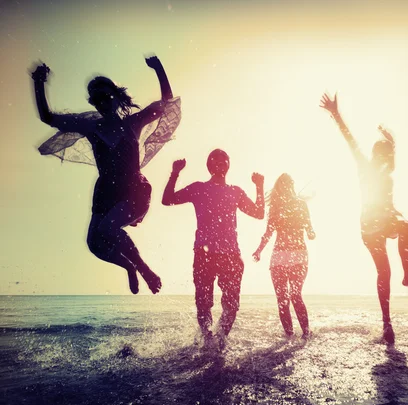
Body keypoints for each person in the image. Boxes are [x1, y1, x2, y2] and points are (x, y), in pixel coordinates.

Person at [31, 56, 181, 294]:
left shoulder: (134, 123)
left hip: (134, 189)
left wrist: (159, 68)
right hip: (106, 192)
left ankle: (145, 270)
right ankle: (129, 267)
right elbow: (48, 117)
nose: (101, 102)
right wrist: (38, 82)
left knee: (108, 230)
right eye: (96, 99)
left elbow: (166, 102)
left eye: (105, 96)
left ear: (115, 96)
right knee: (94, 244)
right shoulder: (91, 127)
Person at [320, 93, 408, 344]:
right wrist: (336, 114)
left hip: (388, 217)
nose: (380, 159)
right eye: (377, 154)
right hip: (369, 224)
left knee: (405, 224)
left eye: (384, 155)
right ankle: (387, 323)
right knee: (383, 271)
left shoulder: (388, 172)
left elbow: (390, 151)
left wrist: (389, 143)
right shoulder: (365, 167)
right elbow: (351, 141)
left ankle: (407, 276)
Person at [162, 152, 264, 348]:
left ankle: (221, 339)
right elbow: (167, 200)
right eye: (215, 160)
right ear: (210, 166)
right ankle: (207, 339)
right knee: (203, 302)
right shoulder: (198, 188)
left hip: (231, 255)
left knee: (232, 305)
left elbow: (259, 213)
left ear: (228, 165)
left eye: (224, 159)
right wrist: (174, 173)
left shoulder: (235, 192)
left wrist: (259, 186)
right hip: (204, 254)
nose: (220, 162)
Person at [253, 174, 316, 338]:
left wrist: (310, 231)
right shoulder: (275, 208)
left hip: (298, 255)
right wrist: (259, 250)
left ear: (292, 186)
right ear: (279, 188)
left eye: (289, 184)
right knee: (282, 299)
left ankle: (306, 333)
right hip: (279, 257)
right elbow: (268, 233)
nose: (287, 187)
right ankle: (289, 336)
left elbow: (310, 231)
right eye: (283, 185)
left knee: (295, 295)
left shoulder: (301, 205)